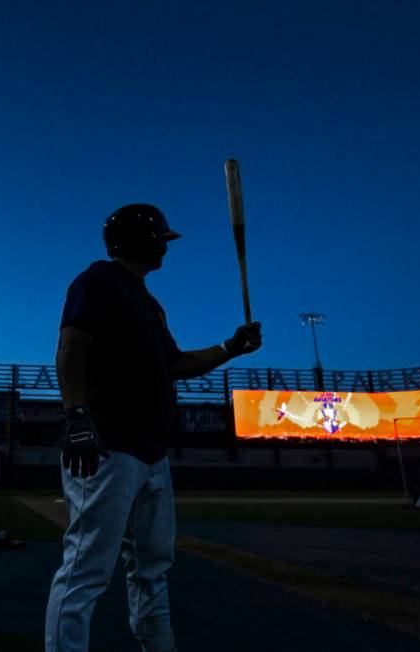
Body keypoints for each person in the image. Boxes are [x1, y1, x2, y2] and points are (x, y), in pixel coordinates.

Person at [44, 204, 263, 652]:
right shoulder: (98, 280)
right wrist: (77, 415)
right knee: (86, 569)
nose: (166, 245)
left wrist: (230, 348)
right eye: (162, 237)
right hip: (108, 447)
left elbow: (176, 364)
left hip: (151, 452)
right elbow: (71, 345)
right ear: (141, 240)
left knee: (152, 566)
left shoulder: (149, 302)